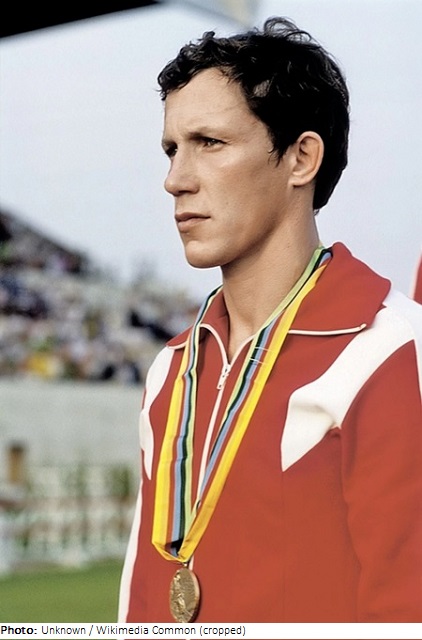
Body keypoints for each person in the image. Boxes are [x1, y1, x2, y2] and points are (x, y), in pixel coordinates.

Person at [118, 17, 422, 623]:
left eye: (210, 142)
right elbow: (143, 601)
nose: (175, 180)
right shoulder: (172, 369)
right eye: (172, 149)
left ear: (301, 158)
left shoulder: (391, 348)